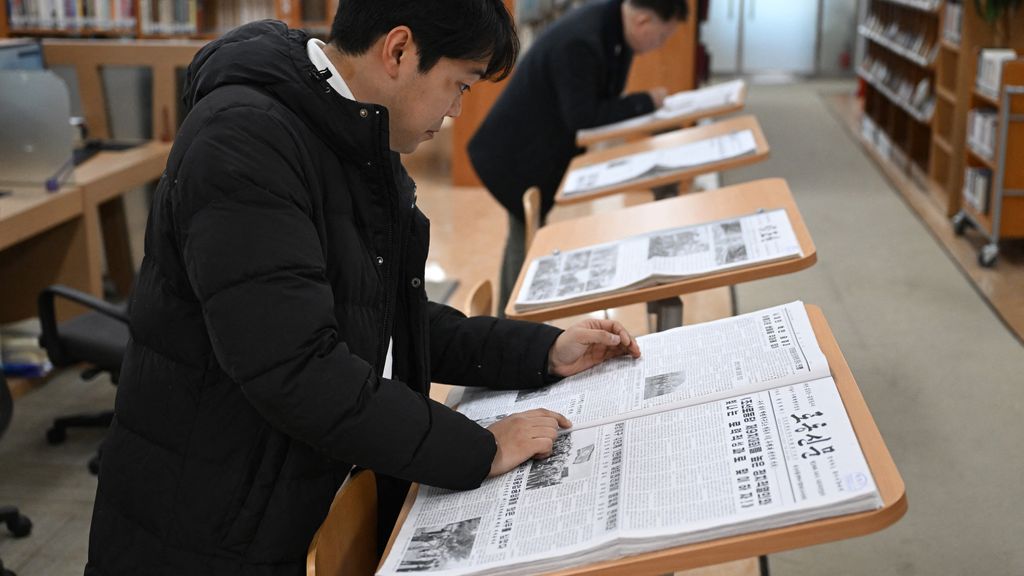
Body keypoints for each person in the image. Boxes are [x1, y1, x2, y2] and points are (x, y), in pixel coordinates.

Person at [84, 2, 641, 575]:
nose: (453, 111)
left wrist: (543, 350)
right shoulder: (242, 141)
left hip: (281, 490)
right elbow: (296, 367)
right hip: (206, 524)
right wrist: (482, 448)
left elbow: (387, 317)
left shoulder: (352, 128)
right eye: (458, 86)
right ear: (398, 51)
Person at [468, 0, 689, 315]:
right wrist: (645, 101)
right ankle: (511, 322)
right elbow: (584, 116)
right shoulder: (583, 39)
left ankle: (509, 320)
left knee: (523, 234)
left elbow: (604, 101)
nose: (659, 46)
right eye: (662, 37)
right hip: (515, 151)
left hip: (535, 148)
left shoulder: (613, 28)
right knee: (524, 233)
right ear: (642, 21)